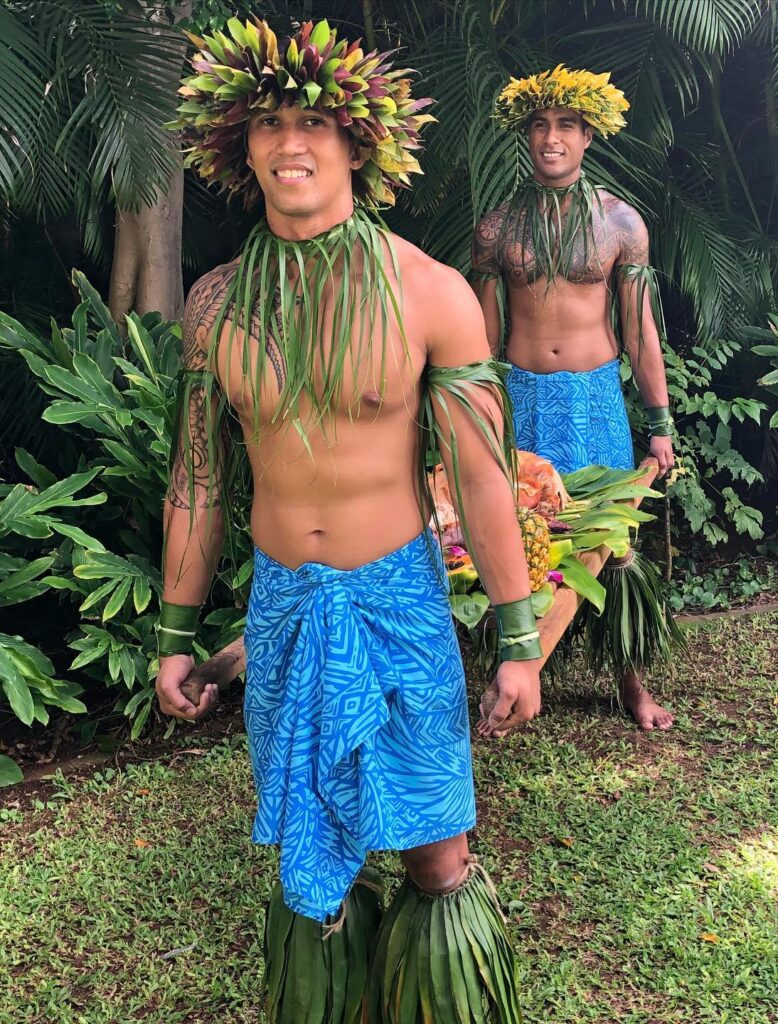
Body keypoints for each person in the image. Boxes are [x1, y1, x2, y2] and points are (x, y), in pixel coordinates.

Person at [157, 18, 538, 1023]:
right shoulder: (215, 307)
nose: (293, 141)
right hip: (283, 602)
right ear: (238, 146)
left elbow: (485, 480)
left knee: (435, 850)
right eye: (270, 123)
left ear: (356, 143)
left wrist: (518, 638)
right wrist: (175, 637)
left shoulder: (431, 294)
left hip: (397, 597)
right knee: (307, 852)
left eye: (315, 122)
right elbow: (197, 479)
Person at [472, 66, 677, 731]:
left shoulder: (622, 223)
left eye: (565, 126)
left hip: (595, 400)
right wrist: (480, 411)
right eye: (539, 126)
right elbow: (482, 336)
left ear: (588, 135)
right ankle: (510, 680)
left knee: (615, 547)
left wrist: (660, 423)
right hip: (525, 396)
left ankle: (632, 684)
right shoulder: (498, 229)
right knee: (519, 535)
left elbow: (639, 329)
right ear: (525, 137)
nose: (551, 138)